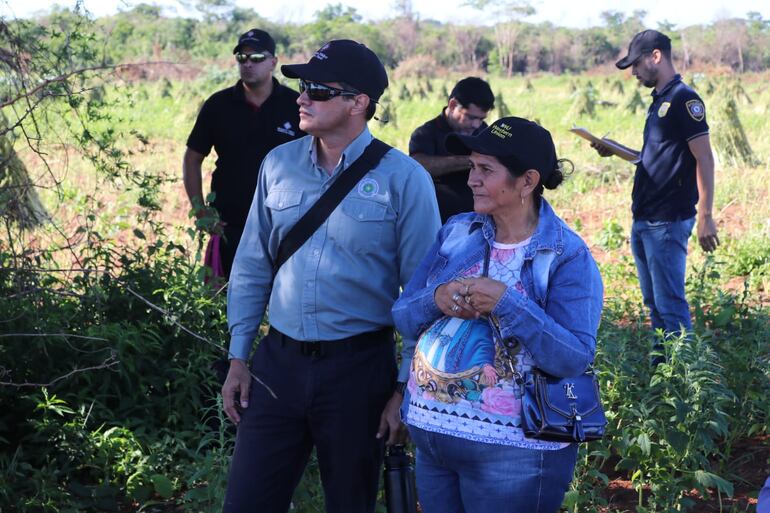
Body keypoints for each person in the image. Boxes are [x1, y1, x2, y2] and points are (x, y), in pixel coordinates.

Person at [220, 39, 441, 513]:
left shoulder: (404, 179)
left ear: (358, 103)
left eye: (318, 90)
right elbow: (252, 265)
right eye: (301, 87)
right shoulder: (278, 165)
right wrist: (239, 358)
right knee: (246, 502)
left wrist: (405, 388)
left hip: (357, 372)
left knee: (350, 503)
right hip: (278, 364)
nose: (301, 97)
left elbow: (424, 295)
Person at [392, 117, 604, 513]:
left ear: (527, 181)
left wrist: (509, 304)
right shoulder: (457, 232)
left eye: (485, 170)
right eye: (472, 166)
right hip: (434, 442)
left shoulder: (566, 255)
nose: (472, 179)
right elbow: (403, 316)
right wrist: (436, 298)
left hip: (514, 458)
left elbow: (573, 357)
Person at [592, 30, 718, 357]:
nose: (633, 72)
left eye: (636, 64)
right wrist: (613, 149)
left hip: (667, 221)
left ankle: (686, 379)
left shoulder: (684, 100)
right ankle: (663, 372)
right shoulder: (659, 101)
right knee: (654, 304)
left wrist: (706, 216)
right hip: (644, 219)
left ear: (656, 56)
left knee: (670, 304)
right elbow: (651, 156)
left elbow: (703, 157)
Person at [183, 28, 303, 278]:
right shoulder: (218, 105)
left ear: (273, 62)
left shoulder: (296, 105)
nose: (248, 63)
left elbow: (318, 160)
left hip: (282, 225)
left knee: (281, 304)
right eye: (242, 58)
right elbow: (192, 158)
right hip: (229, 225)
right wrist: (201, 211)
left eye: (257, 57)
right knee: (223, 304)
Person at [409, 77, 495, 223]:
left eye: (481, 119)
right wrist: (472, 161)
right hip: (437, 222)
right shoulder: (425, 133)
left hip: (478, 221)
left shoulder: (483, 130)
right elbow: (417, 166)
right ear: (453, 105)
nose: (476, 124)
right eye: (471, 117)